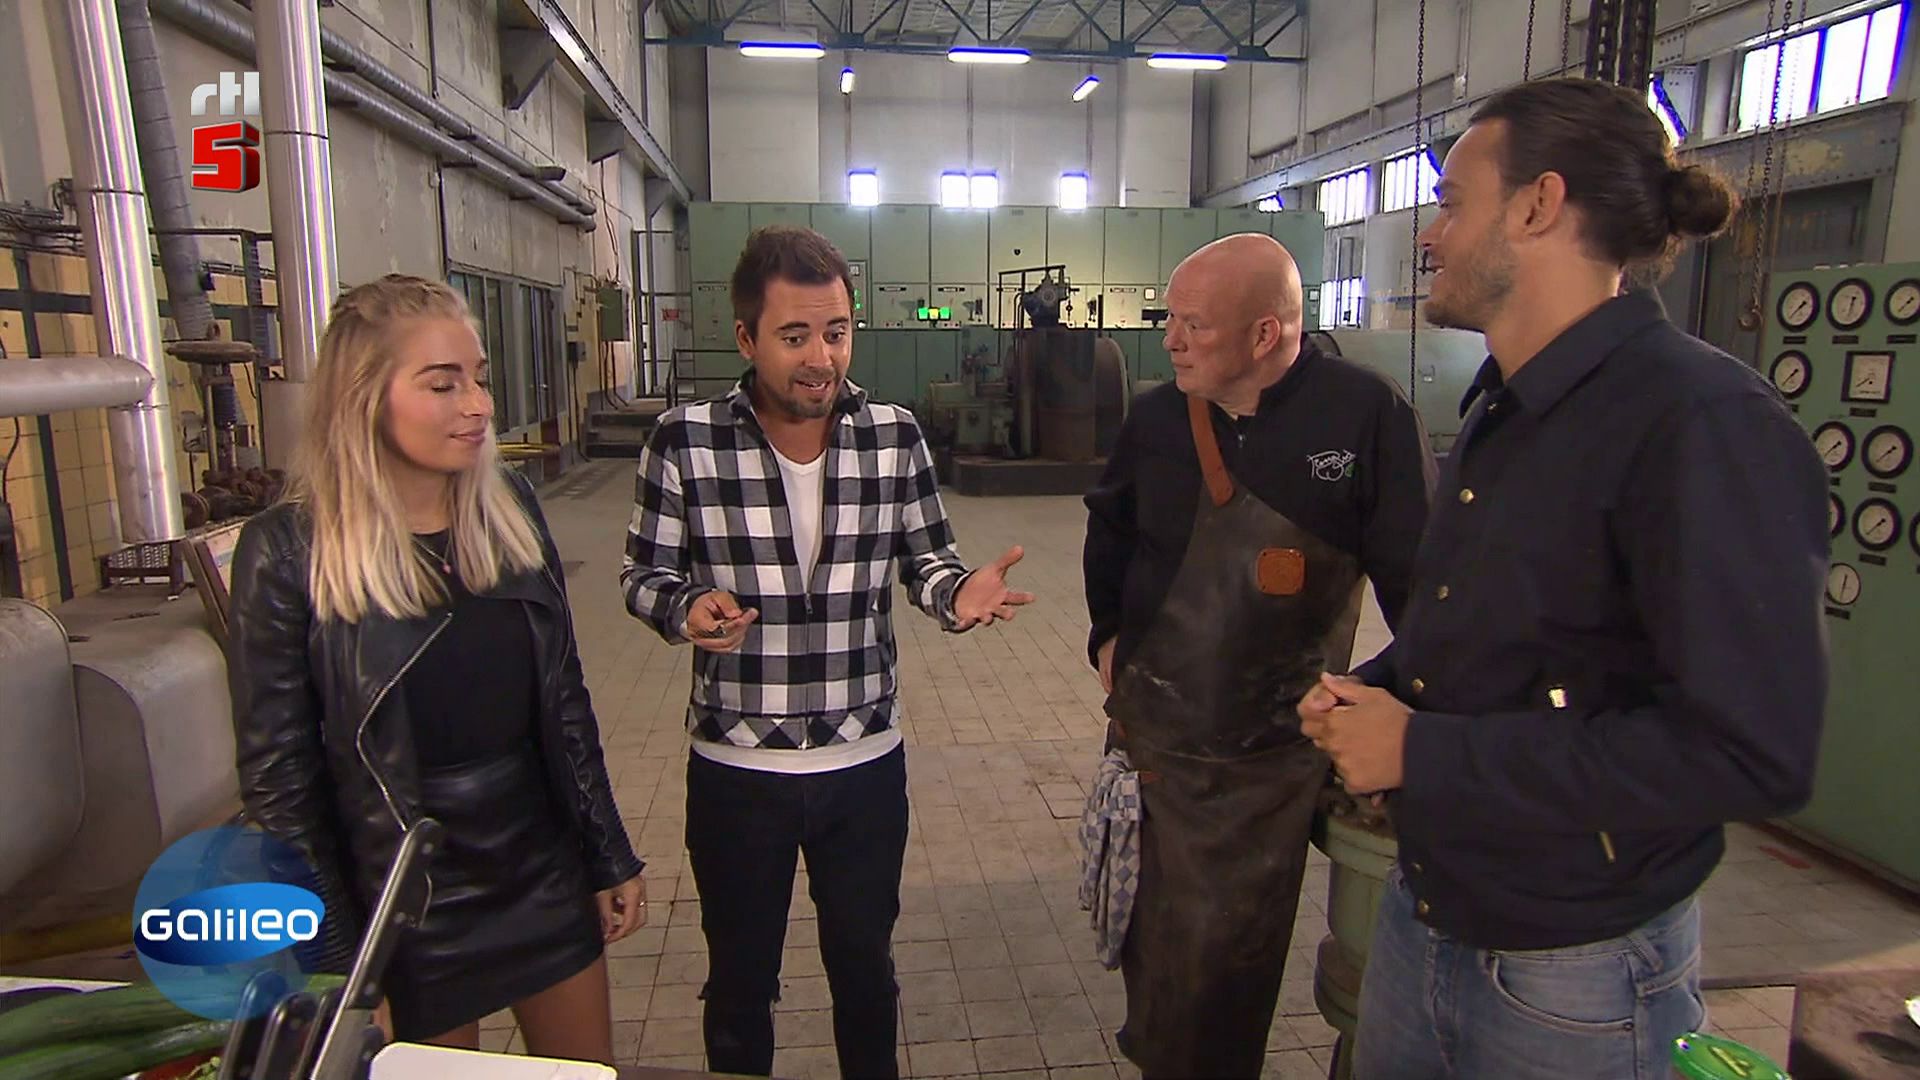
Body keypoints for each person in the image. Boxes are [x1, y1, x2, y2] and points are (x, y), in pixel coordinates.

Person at [1298, 78, 1830, 1080]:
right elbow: (1489, 632)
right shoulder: (1506, 407)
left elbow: (1752, 753)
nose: (1430, 238)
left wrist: (1424, 751)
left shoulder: (1701, 425)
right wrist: (1377, 690)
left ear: (1538, 206)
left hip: (1574, 977)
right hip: (1428, 913)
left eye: (1452, 204)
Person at [621, 225, 1034, 1079]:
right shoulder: (685, 441)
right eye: (795, 336)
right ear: (747, 339)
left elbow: (928, 561)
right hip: (738, 772)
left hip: (864, 768)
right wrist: (687, 607)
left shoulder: (894, 435)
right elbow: (643, 573)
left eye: (837, 332)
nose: (822, 358)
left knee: (866, 974)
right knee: (740, 985)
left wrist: (958, 593)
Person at [227, 274, 647, 1060]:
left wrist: (607, 853)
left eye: (479, 378)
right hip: (404, 903)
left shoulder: (509, 509)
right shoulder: (289, 552)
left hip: (539, 869)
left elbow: (564, 701)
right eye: (442, 384)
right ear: (363, 398)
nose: (478, 405)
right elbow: (281, 791)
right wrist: (340, 966)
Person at [1081, 232, 1435, 1079]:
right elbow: (1111, 527)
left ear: (1266, 334)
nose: (1170, 341)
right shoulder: (1159, 418)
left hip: (1269, 764)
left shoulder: (1364, 416)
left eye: (1193, 325)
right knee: (1154, 958)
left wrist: (1405, 707)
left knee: (1223, 975)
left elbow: (1425, 588)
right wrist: (1107, 631)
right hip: (1155, 745)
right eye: (1170, 320)